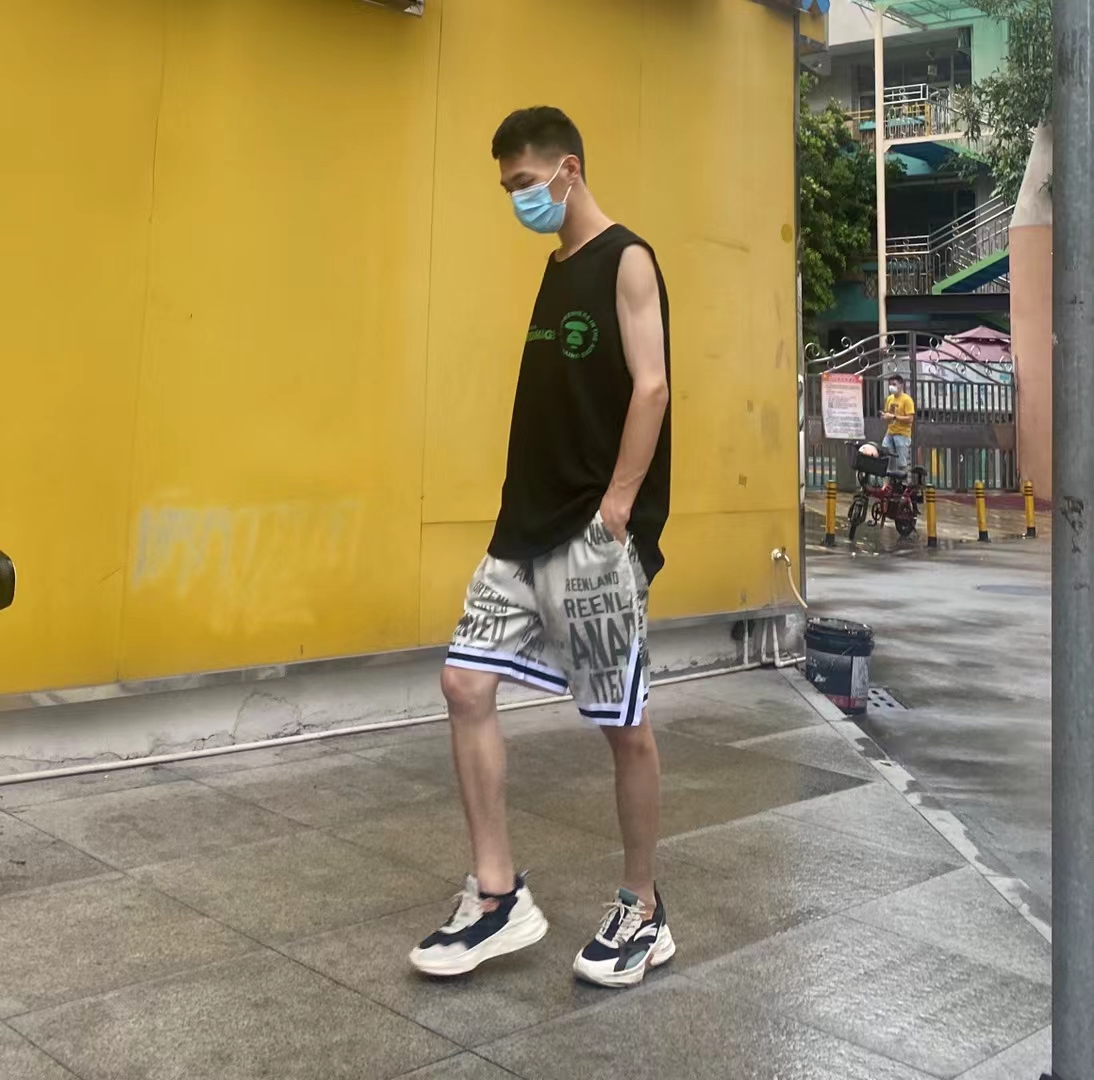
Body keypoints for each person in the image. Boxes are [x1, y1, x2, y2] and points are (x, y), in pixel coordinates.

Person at [409, 106, 673, 989]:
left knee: (622, 728)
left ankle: (643, 908)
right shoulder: (555, 267)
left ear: (569, 169)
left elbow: (651, 387)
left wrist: (618, 511)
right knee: (463, 684)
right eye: (507, 188)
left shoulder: (626, 258)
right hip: (520, 532)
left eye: (524, 183)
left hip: (591, 538)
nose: (516, 199)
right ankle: (498, 897)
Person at [881, 373, 915, 473]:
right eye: (890, 384)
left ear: (901, 385)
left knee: (901, 463)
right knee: (886, 460)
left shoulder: (907, 400)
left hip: (902, 435)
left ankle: (902, 481)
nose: (891, 387)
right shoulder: (890, 399)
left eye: (894, 384)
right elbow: (888, 414)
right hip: (890, 433)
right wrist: (885, 416)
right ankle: (888, 481)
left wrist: (894, 417)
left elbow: (910, 419)